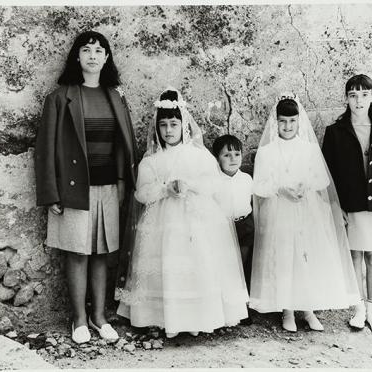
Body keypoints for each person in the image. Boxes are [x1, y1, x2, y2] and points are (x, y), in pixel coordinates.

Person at [116, 88, 248, 338]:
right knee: (167, 264)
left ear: (183, 125)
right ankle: (165, 317)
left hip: (196, 220)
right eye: (163, 125)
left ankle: (198, 316)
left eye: (174, 124)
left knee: (198, 262)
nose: (168, 131)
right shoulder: (151, 161)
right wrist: (165, 188)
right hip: (162, 223)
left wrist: (190, 186)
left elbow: (213, 184)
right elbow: (141, 194)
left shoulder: (199, 156)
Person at [35, 31, 138, 344]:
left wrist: (122, 183)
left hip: (108, 187)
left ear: (106, 58)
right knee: (77, 253)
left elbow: (124, 145)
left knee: (102, 253)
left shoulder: (115, 97)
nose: (93, 56)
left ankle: (99, 317)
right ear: (77, 57)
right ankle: (78, 318)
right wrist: (52, 193)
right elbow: (45, 148)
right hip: (74, 189)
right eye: (86, 50)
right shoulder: (60, 97)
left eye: (99, 50)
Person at [250, 93, 360, 332]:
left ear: (299, 121)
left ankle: (308, 309)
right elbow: (258, 185)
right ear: (275, 122)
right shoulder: (267, 152)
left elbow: (321, 179)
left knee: (307, 258)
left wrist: (305, 185)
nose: (287, 126)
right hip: (279, 210)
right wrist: (280, 188)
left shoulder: (309, 149)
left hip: (307, 210)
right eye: (283, 121)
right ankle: (287, 311)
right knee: (285, 259)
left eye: (292, 121)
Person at [322, 74, 372, 340]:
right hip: (349, 203)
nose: (359, 100)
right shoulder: (335, 132)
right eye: (353, 95)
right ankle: (357, 309)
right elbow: (327, 172)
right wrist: (335, 204)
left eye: (364, 94)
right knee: (354, 256)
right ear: (346, 99)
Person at [212, 135, 254, 292]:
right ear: (217, 159)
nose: (233, 159)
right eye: (226, 155)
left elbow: (251, 202)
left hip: (245, 226)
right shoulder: (214, 181)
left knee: (242, 264)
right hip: (224, 228)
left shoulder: (246, 179)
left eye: (237, 154)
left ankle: (243, 303)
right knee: (226, 264)